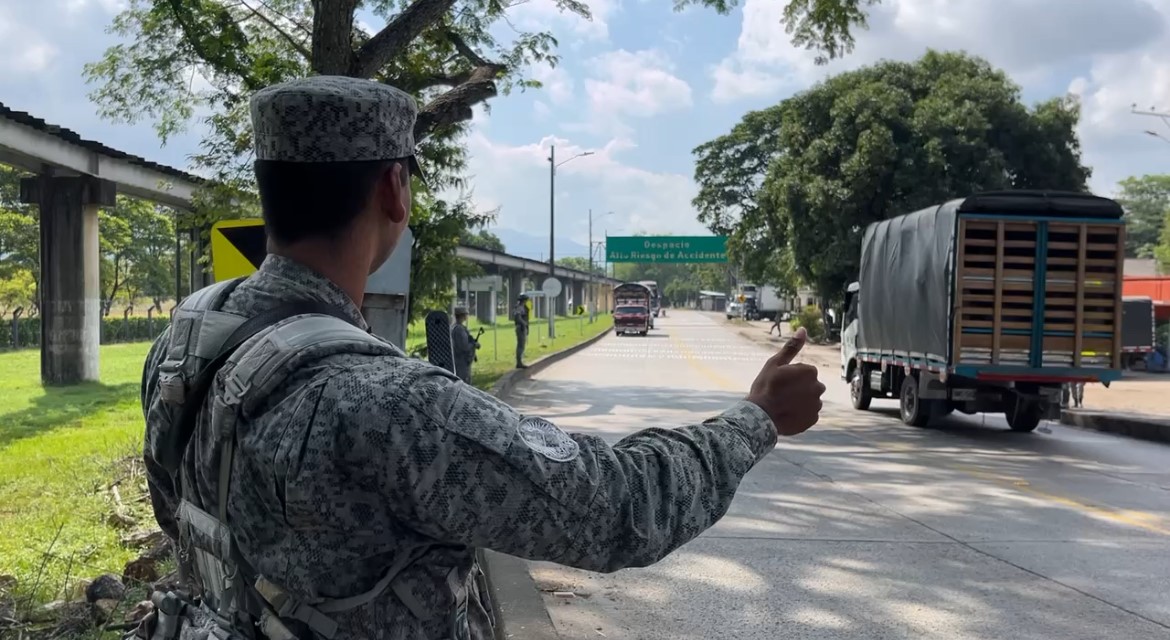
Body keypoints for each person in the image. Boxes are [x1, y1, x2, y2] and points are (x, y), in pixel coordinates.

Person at [139, 75, 825, 640]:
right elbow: (620, 508)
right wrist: (755, 418)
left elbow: (179, 517)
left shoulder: (188, 341)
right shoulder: (388, 407)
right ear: (393, 191)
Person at [451, 306, 479, 384]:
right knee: (464, 383)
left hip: (457, 359)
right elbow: (464, 347)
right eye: (466, 314)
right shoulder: (459, 329)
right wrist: (474, 345)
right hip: (461, 361)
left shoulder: (453, 327)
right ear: (462, 315)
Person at [512, 294, 529, 369]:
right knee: (521, 345)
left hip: (522, 327)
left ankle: (520, 361)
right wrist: (524, 324)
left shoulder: (521, 307)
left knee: (522, 345)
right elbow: (518, 318)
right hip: (520, 327)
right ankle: (519, 362)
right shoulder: (519, 307)